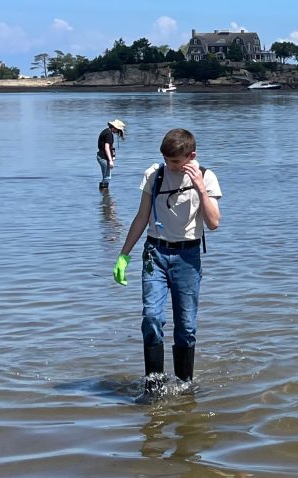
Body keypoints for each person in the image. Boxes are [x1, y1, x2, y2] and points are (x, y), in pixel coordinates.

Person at [112, 128, 223, 383]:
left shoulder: (207, 177)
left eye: (175, 161)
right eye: (166, 159)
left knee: (186, 327)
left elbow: (214, 223)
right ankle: (154, 384)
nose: (169, 165)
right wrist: (124, 255)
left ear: (191, 156)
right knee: (151, 317)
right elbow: (141, 217)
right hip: (155, 254)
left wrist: (199, 189)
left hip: (188, 257)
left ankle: (185, 386)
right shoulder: (155, 174)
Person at [96, 119, 126, 189]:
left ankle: (104, 195)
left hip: (100, 156)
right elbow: (106, 148)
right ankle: (106, 197)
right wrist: (110, 161)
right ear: (114, 128)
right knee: (107, 177)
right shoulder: (109, 134)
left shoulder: (106, 131)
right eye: (118, 130)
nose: (117, 132)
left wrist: (113, 155)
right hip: (103, 158)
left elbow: (109, 147)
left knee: (105, 177)